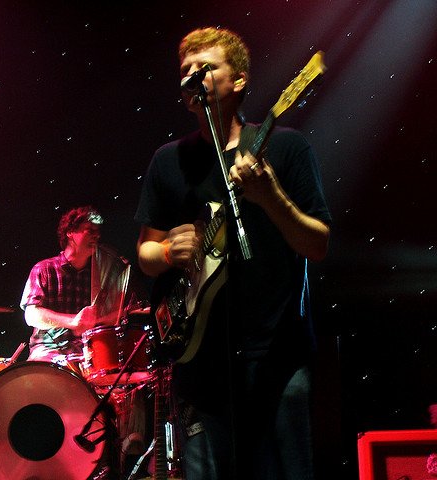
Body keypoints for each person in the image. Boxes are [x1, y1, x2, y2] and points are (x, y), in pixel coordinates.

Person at [134, 27, 332, 480]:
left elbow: (317, 244)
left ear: (239, 80)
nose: (192, 76)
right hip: (198, 358)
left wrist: (271, 197)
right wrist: (167, 250)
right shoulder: (168, 160)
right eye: (186, 70)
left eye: (205, 67)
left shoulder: (286, 146)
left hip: (277, 353)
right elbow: (144, 253)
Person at [19, 205, 150, 476]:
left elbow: (105, 320)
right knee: (48, 379)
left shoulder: (100, 275)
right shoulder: (44, 269)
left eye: (98, 232)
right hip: (49, 348)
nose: (96, 237)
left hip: (88, 352)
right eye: (90, 230)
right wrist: (73, 322)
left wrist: (123, 312)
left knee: (126, 379)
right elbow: (32, 315)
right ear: (70, 233)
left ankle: (120, 450)